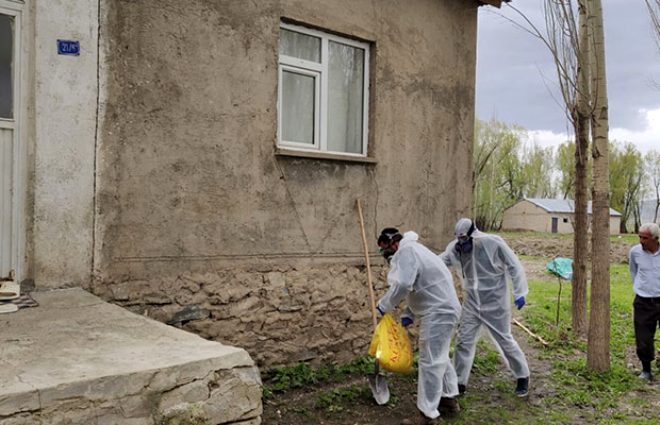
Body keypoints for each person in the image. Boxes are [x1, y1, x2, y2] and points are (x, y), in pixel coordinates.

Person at [375, 228, 462, 425]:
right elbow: (425, 285)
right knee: (439, 356)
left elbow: (404, 284)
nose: (385, 255)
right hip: (445, 309)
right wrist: (410, 312)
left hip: (439, 312)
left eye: (385, 250)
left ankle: (428, 415)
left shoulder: (407, 252)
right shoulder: (417, 250)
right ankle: (448, 398)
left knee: (429, 361)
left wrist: (383, 306)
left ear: (394, 243)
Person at [439, 218, 530, 397]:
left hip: (495, 302)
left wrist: (520, 292)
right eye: (459, 239)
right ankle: (459, 381)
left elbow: (514, 265)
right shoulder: (455, 250)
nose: (461, 242)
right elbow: (438, 262)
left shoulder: (493, 243)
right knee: (464, 340)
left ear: (473, 234)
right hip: (472, 303)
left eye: (464, 238)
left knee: (504, 340)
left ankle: (522, 376)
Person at [628, 222, 660, 381]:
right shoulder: (635, 252)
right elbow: (633, 271)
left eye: (645, 238)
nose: (642, 240)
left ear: (655, 238)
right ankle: (646, 370)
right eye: (640, 237)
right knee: (643, 338)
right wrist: (640, 287)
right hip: (643, 301)